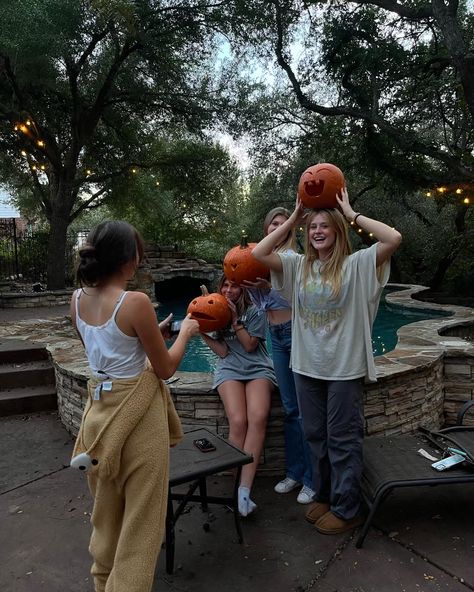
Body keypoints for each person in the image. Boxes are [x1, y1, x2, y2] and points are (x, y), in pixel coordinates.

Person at [252, 187, 402, 534]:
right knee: (314, 434)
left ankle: (348, 509)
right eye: (312, 227)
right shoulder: (297, 266)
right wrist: (293, 218)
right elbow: (260, 252)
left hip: (344, 368)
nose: (317, 231)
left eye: (325, 226)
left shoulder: (357, 265)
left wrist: (351, 213)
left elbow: (393, 237)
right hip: (307, 366)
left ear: (337, 231)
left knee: (342, 438)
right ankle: (325, 495)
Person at [69, 220, 199, 592]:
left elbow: (104, 356)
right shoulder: (136, 302)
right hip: (138, 422)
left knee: (106, 514)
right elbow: (166, 368)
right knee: (142, 524)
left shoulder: (76, 300)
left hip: (99, 419)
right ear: (130, 258)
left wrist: (146, 336)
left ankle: (102, 582)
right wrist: (186, 333)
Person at [243, 207, 314, 504]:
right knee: (289, 409)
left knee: (306, 408)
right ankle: (295, 472)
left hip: (296, 332)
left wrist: (269, 287)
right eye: (274, 223)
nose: (280, 227)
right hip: (277, 337)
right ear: (266, 228)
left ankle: (312, 479)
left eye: (285, 224)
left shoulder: (296, 260)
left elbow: (302, 297)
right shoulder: (262, 261)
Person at [200, 275, 277, 517]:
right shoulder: (217, 311)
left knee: (258, 417)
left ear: (242, 289)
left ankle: (245, 490)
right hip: (230, 368)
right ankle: (236, 488)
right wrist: (201, 331)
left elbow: (250, 346)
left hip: (257, 367)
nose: (229, 289)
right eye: (225, 285)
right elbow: (223, 352)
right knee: (238, 421)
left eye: (234, 285)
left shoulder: (255, 310)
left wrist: (235, 320)